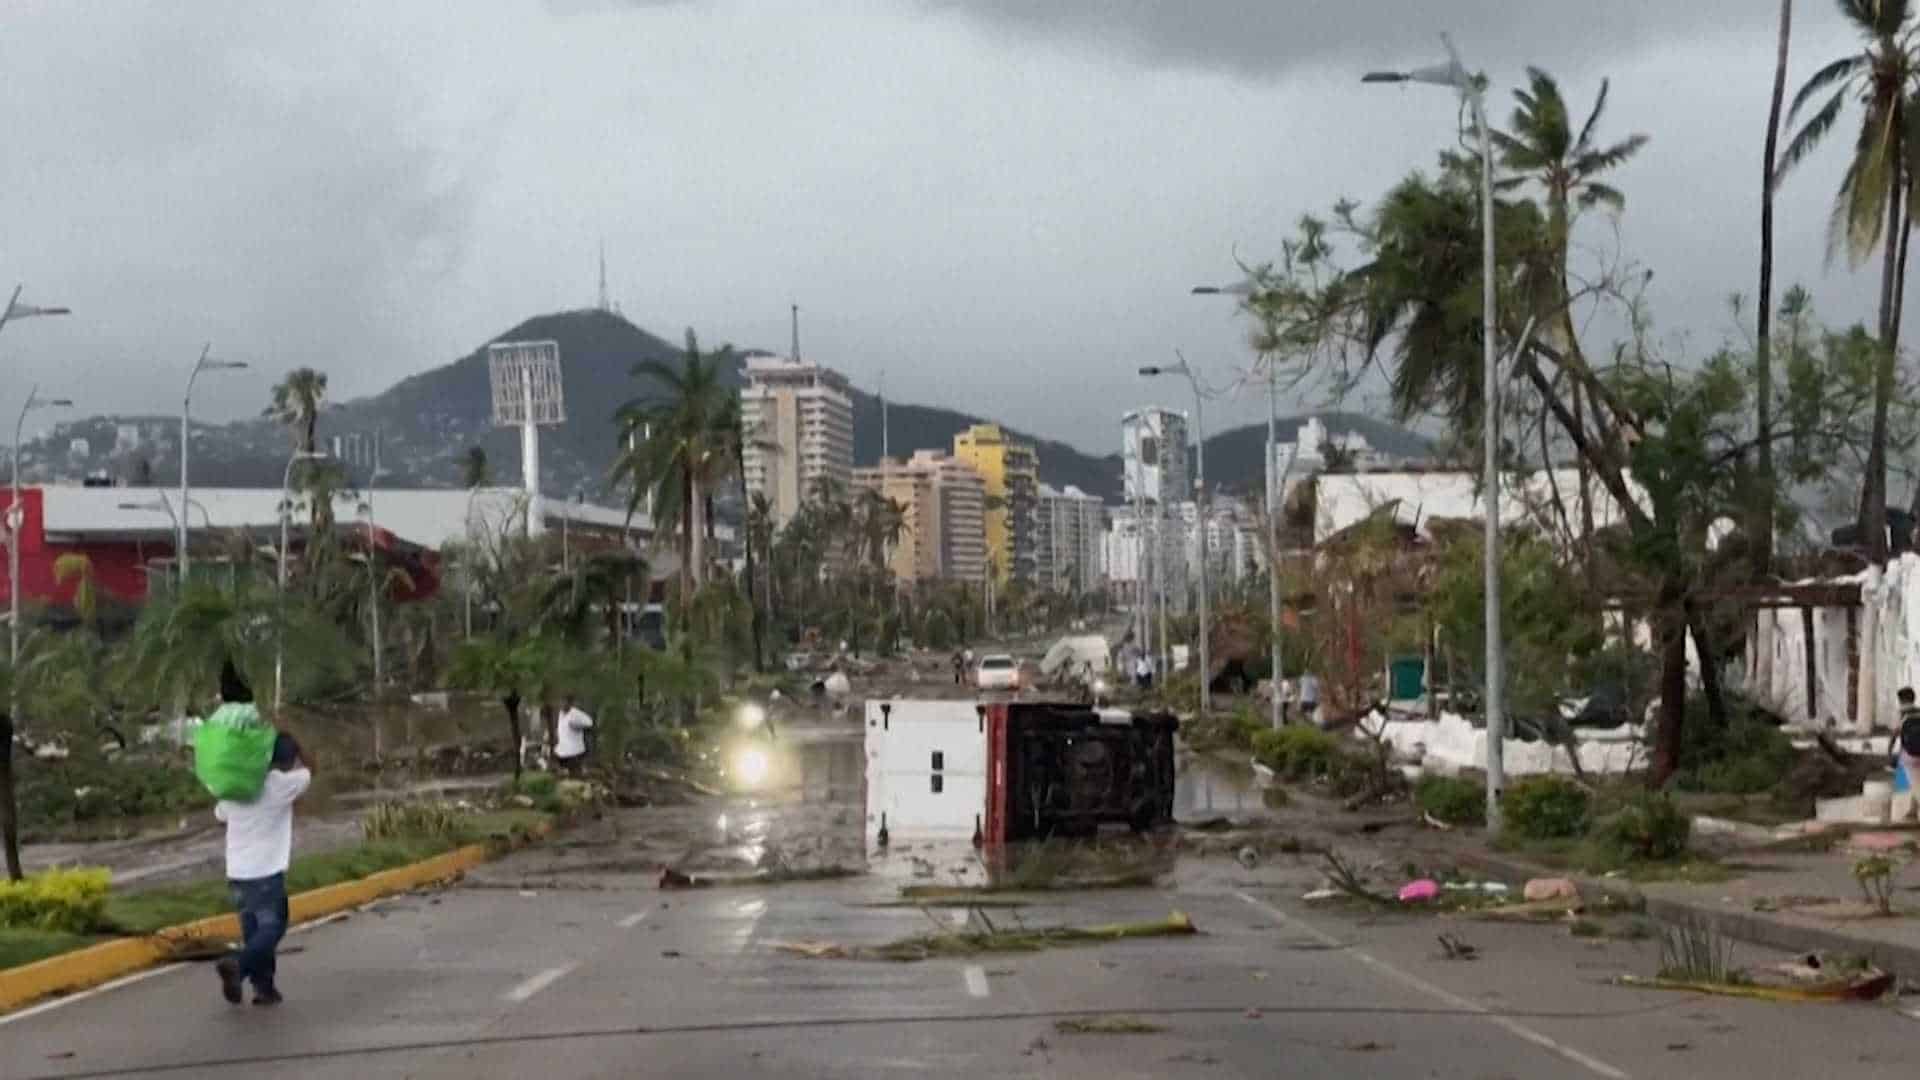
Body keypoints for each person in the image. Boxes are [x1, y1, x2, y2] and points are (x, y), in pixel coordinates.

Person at [214, 730, 311, 1007]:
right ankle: (238, 965)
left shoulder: (238, 786)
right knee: (272, 927)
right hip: (266, 872)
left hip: (237, 873)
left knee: (254, 933)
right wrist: (297, 741)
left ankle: (264, 988)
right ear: (287, 760)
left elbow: (220, 815)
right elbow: (311, 770)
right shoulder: (282, 784)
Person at [1890, 688, 1920, 820]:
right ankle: (1912, 811)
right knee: (1917, 782)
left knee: (1910, 784)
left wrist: (1889, 750)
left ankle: (1908, 811)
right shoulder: (1919, 712)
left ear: (1901, 700)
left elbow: (1894, 735)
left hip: (1909, 756)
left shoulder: (1901, 714)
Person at [554, 693, 594, 775]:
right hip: (562, 750)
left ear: (570, 703)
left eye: (564, 702)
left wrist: (578, 725)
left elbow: (589, 723)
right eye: (561, 702)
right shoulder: (560, 714)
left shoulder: (576, 714)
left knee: (574, 771)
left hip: (574, 750)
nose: (562, 704)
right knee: (563, 772)